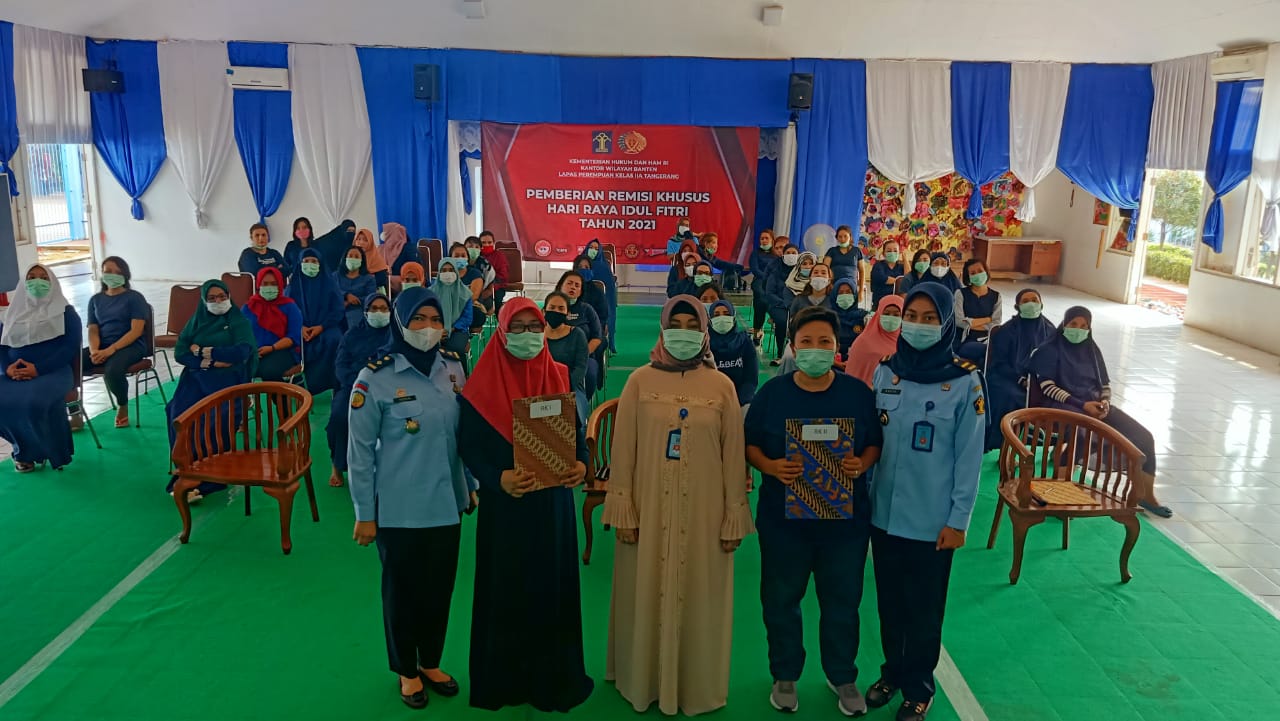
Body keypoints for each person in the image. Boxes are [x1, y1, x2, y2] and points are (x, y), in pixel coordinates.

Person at [604, 296, 753, 716]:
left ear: (703, 333)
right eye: (676, 324)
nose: (683, 333)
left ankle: (694, 685)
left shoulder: (722, 386)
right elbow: (623, 450)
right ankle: (642, 680)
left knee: (701, 595)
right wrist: (624, 510)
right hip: (647, 507)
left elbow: (733, 456)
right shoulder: (639, 381)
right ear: (663, 328)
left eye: (692, 325)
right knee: (644, 588)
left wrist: (733, 516)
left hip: (705, 512)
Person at [745, 306, 882, 716]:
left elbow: (874, 443)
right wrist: (770, 467)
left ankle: (842, 676)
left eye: (825, 342)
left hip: (844, 524)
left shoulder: (857, 394)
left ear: (837, 347)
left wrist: (862, 463)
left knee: (842, 601)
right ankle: (785, 675)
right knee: (781, 599)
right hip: (784, 522)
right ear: (792, 346)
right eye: (806, 342)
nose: (815, 349)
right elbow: (750, 445)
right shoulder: (773, 394)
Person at [458, 297, 593, 712]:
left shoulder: (559, 375)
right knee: (507, 588)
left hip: (552, 507)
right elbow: (469, 447)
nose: (528, 336)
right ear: (501, 332)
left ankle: (553, 679)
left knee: (551, 587)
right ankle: (505, 681)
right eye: (517, 328)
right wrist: (497, 479)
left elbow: (577, 436)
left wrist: (580, 465)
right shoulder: (480, 386)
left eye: (535, 328)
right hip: (507, 509)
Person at [348, 287, 475, 710]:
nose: (427, 327)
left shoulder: (453, 368)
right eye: (418, 319)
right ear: (401, 322)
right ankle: (407, 670)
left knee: (439, 590)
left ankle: (431, 662)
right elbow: (359, 453)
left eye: (435, 319)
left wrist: (470, 484)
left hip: (447, 504)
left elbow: (462, 435)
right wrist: (365, 514)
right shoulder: (374, 378)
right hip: (398, 510)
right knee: (402, 595)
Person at [867, 283, 985, 721]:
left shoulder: (965, 380)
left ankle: (919, 687)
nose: (918, 325)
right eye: (912, 316)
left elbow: (969, 458)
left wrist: (959, 520)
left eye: (929, 318)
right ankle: (892, 672)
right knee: (889, 603)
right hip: (884, 515)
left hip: (932, 521)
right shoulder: (887, 371)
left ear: (946, 323)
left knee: (923, 609)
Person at [1028, 306, 1170, 517]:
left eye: (1084, 326)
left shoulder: (1091, 349)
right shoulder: (1049, 349)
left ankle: (1145, 495)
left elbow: (1104, 384)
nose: (1079, 330)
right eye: (1074, 324)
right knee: (1081, 435)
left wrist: (1104, 402)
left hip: (1094, 405)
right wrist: (1082, 404)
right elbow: (1047, 387)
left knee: (1144, 437)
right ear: (1064, 324)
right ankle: (1059, 493)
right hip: (1060, 405)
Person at [164, 279, 256, 501]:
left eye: (222, 297)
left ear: (229, 297)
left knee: (216, 417)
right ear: (204, 301)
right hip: (196, 378)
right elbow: (180, 352)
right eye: (212, 298)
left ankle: (211, 476)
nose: (218, 301)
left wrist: (202, 351)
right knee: (177, 413)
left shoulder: (237, 320)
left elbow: (242, 351)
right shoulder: (196, 321)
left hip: (230, 379)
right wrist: (211, 360)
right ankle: (186, 470)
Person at [0, 264, 81, 472]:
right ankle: (23, 448)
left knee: (32, 403)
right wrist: (7, 369)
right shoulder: (12, 314)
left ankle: (30, 454)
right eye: (32, 277)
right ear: (24, 283)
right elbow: (2, 347)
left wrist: (38, 369)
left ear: (52, 282)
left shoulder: (66, 313)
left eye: (44, 278)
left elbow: (69, 348)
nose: (38, 282)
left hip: (54, 372)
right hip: (15, 374)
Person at [328, 292, 393, 487]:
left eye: (384, 309)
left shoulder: (395, 336)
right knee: (339, 417)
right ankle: (337, 464)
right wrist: (357, 384)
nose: (379, 312)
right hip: (354, 387)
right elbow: (340, 365)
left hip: (387, 388)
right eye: (374, 308)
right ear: (365, 312)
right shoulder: (352, 335)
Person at [984, 289, 1055, 452]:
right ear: (1017, 306)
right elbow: (1000, 363)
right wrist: (1020, 379)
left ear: (1041, 304)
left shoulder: (1051, 331)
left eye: (1035, 300)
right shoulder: (1007, 331)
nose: (1031, 304)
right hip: (1008, 377)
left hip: (1039, 381)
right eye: (1025, 301)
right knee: (1008, 396)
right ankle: (1000, 445)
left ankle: (1043, 445)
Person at [83, 256, 149, 427]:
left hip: (131, 346)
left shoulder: (134, 298)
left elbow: (136, 331)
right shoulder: (95, 300)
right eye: (108, 271)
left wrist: (110, 350)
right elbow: (93, 329)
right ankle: (74, 410)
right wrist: (94, 351)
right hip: (103, 345)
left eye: (117, 272)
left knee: (113, 370)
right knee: (71, 363)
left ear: (125, 275)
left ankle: (122, 405)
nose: (112, 275)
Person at [286, 249, 344, 395]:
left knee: (335, 339)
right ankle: (302, 383)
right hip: (300, 330)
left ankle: (330, 384)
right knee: (292, 343)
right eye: (306, 261)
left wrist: (321, 327)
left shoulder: (330, 284)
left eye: (314, 261)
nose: (310, 264)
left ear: (320, 264)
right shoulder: (293, 286)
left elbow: (337, 310)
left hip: (325, 327)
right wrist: (299, 327)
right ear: (300, 264)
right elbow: (286, 312)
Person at [242, 267, 303, 382]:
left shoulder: (290, 306)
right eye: (265, 284)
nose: (269, 287)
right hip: (254, 352)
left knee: (268, 370)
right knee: (240, 368)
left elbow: (293, 337)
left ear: (280, 284)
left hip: (282, 351)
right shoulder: (249, 307)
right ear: (259, 285)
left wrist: (272, 348)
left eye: (274, 284)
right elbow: (241, 333)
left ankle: (281, 394)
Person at [543, 291, 591, 424]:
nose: (556, 311)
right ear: (544, 311)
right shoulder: (537, 335)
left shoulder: (578, 335)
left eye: (561, 308)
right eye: (552, 308)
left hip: (571, 388)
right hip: (541, 386)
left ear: (568, 313)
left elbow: (580, 368)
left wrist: (563, 388)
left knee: (572, 417)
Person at [555, 270, 604, 393]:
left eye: (577, 285)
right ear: (560, 286)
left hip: (584, 357)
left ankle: (581, 401)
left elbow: (597, 337)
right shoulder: (551, 308)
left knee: (590, 374)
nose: (573, 287)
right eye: (569, 283)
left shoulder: (587, 309)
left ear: (581, 291)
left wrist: (582, 355)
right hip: (554, 357)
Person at [707, 300, 757, 408]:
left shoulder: (745, 342)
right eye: (716, 315)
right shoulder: (704, 344)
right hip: (710, 402)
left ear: (733, 317)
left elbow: (751, 379)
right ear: (710, 320)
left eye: (726, 314)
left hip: (741, 401)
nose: (722, 318)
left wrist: (739, 403)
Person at [846, 295, 903, 387]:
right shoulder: (863, 342)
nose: (890, 318)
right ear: (878, 314)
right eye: (886, 314)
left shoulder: (906, 343)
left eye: (896, 315)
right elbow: (852, 375)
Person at [954, 259, 1001, 362]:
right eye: (973, 273)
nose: (977, 275)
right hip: (965, 339)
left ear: (986, 272)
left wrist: (970, 323)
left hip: (988, 338)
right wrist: (988, 319)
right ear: (968, 277)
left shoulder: (996, 296)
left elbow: (996, 323)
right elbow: (959, 321)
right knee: (986, 351)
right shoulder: (960, 294)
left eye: (980, 271)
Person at [764, 245, 804, 366]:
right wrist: (784, 303)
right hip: (778, 305)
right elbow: (769, 293)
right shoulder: (775, 272)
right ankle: (781, 353)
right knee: (782, 321)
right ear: (783, 255)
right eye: (788, 252)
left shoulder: (802, 273)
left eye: (794, 253)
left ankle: (800, 352)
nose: (791, 255)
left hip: (798, 305)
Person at [430, 257, 474, 356]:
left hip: (458, 330)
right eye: (444, 270)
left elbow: (467, 318)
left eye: (451, 270)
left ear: (456, 272)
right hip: (435, 330)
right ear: (439, 273)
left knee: (455, 349)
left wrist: (451, 329)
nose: (448, 273)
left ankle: (459, 366)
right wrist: (438, 330)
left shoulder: (465, 293)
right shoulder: (430, 293)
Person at [584, 239, 618, 352]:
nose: (593, 250)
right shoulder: (581, 264)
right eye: (591, 248)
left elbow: (610, 291)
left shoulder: (604, 268)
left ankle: (609, 342)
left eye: (596, 249)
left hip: (601, 303)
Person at [335, 247, 378, 331]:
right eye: (350, 256)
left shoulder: (369, 279)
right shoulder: (335, 276)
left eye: (356, 257)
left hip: (358, 311)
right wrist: (346, 295)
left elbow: (370, 298)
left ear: (362, 260)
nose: (353, 259)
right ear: (345, 258)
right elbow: (331, 292)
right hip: (336, 310)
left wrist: (350, 302)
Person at [449, 243, 489, 332]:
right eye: (456, 256)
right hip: (449, 308)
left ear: (467, 258)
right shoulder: (445, 274)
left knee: (476, 314)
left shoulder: (475, 273)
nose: (460, 258)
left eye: (463, 256)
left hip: (470, 308)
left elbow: (473, 297)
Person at [750, 229, 779, 346]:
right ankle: (759, 330)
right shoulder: (755, 253)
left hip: (773, 282)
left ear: (772, 240)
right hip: (759, 280)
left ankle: (774, 318)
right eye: (762, 238)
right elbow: (755, 269)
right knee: (761, 300)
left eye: (767, 238)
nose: (764, 240)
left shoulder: (777, 256)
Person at [572, 254, 611, 335]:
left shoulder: (597, 293)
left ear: (591, 270)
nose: (583, 270)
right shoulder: (566, 289)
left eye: (586, 267)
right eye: (580, 267)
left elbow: (602, 317)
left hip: (591, 330)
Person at [833, 275, 869, 360]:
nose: (845, 295)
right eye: (840, 293)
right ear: (834, 296)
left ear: (855, 295)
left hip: (858, 359)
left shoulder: (863, 316)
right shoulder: (828, 316)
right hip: (832, 361)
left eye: (849, 292)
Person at [788, 260, 835, 325]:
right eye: (815, 272)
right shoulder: (799, 299)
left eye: (823, 273)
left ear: (829, 280)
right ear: (810, 278)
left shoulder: (834, 301)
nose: (819, 275)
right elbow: (792, 322)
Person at [477, 230, 509, 311]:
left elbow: (502, 276)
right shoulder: (477, 256)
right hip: (478, 286)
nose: (486, 245)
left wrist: (490, 287)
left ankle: (500, 318)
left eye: (489, 242)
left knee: (496, 301)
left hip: (497, 287)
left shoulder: (499, 256)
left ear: (493, 243)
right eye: (483, 243)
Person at [353, 227, 391, 294]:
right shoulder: (351, 257)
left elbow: (381, 280)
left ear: (370, 243)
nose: (361, 242)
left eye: (365, 240)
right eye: (358, 239)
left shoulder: (376, 259)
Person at [870, 240, 906, 307]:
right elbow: (883, 279)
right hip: (880, 303)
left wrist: (905, 259)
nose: (892, 253)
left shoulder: (901, 267)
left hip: (898, 305)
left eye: (895, 251)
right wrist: (901, 282)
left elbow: (909, 278)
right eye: (889, 251)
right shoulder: (878, 265)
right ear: (883, 253)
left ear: (899, 253)